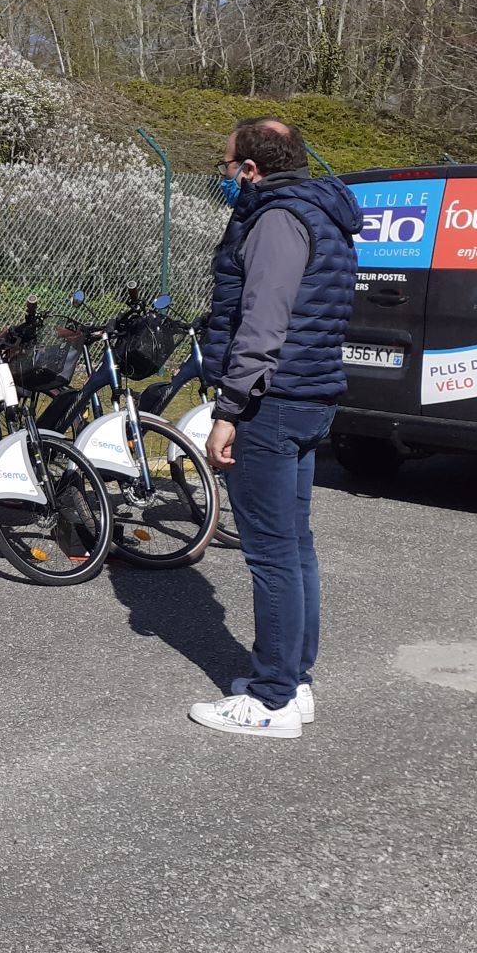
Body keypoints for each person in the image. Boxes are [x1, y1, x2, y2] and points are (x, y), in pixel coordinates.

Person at [191, 118, 360, 740]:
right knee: (294, 547)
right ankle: (293, 681)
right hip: (310, 395)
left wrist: (229, 411)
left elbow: (263, 320)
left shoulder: (277, 219)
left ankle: (271, 699)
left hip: (271, 403)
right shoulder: (325, 214)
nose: (226, 175)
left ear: (253, 170)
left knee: (270, 554)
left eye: (228, 165)